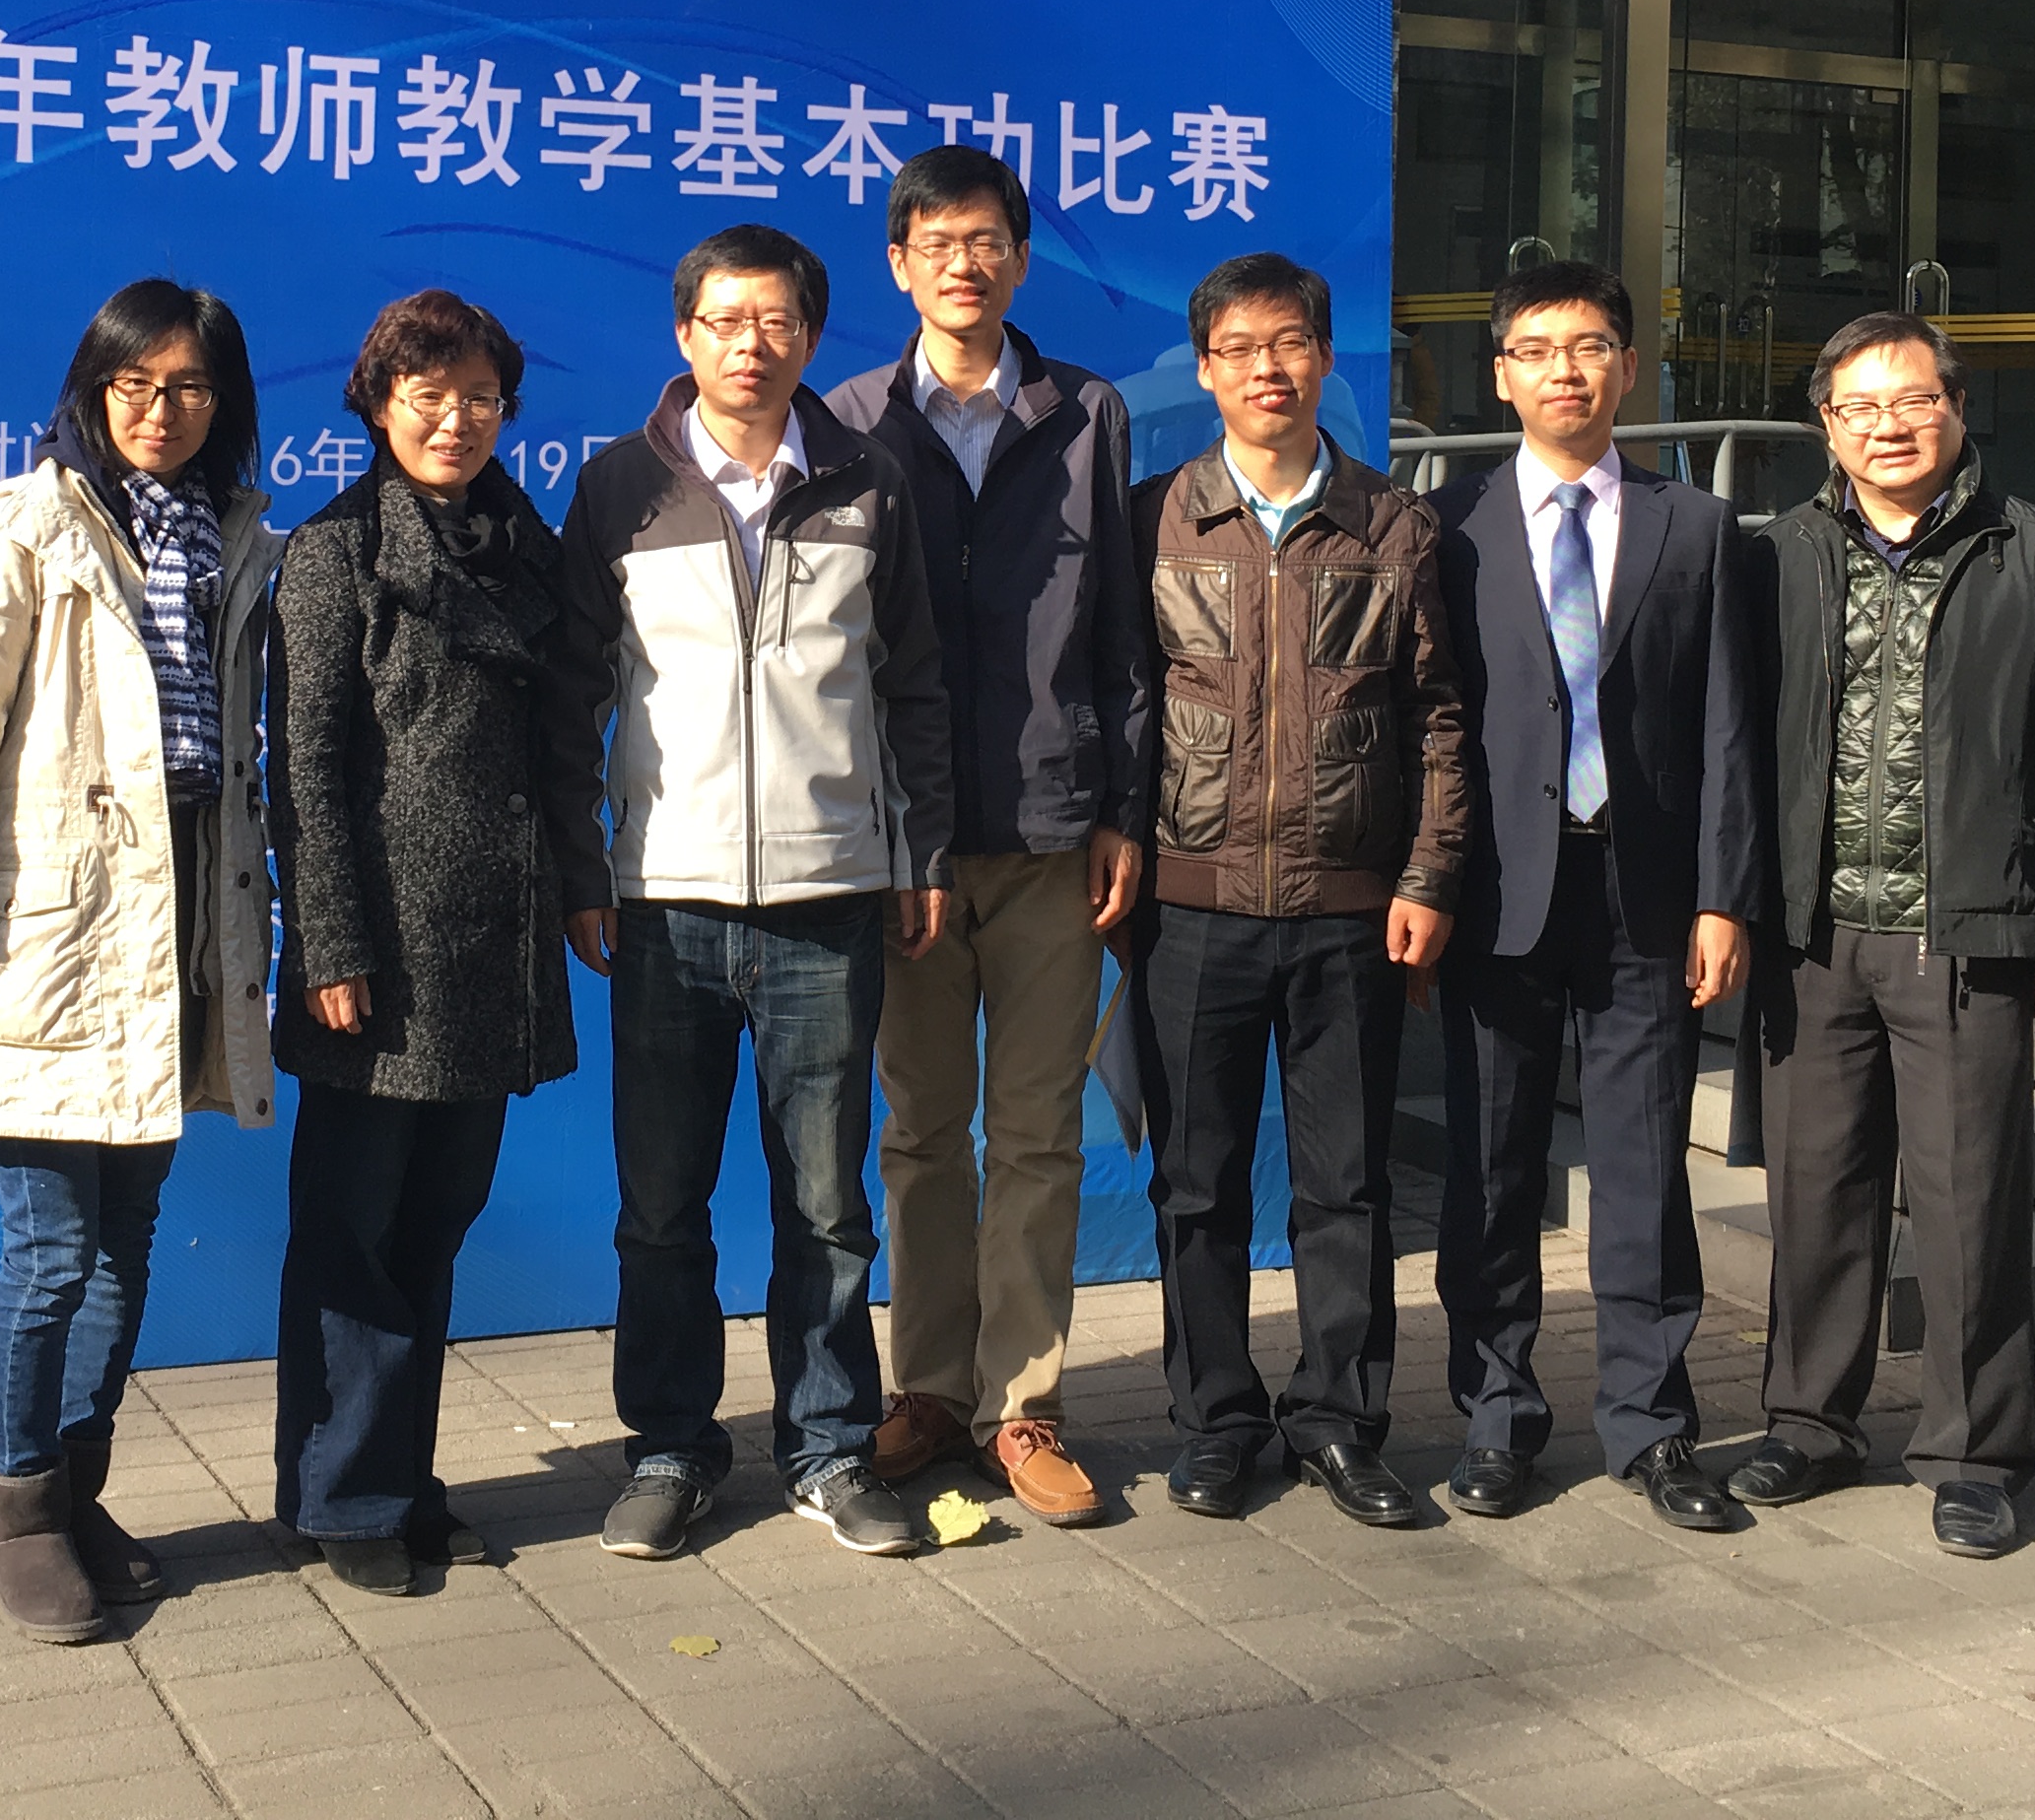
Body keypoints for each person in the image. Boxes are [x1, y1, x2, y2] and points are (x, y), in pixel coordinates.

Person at [555, 223, 956, 1563]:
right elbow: (572, 697)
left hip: (828, 901)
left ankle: (829, 1450)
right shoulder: (620, 489)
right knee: (661, 1209)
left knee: (828, 1209)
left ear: (811, 336)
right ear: (685, 336)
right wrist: (583, 867)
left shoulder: (868, 480)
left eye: (777, 321)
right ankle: (671, 1447)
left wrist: (919, 855)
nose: (752, 344)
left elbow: (912, 688)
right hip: (665, 905)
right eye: (725, 321)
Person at [0, 279, 281, 1644]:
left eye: (189, 387)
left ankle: (79, 1491)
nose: (160, 411)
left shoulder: (242, 537)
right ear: (93, 387)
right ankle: (20, 1514)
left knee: (126, 1244)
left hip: (186, 912)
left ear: (223, 402)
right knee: (52, 1248)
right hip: (55, 926)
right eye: (134, 384)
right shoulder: (25, 521)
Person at [1735, 311, 2035, 1561]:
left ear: (1958, 408)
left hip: (1968, 935)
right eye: (1860, 407)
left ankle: (1977, 1454)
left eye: (1913, 400)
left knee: (1970, 1205)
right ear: (1826, 426)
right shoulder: (1778, 556)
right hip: (1814, 936)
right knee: (1815, 1192)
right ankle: (1810, 1421)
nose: (1889, 427)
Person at [828, 145, 1153, 1530]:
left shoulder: (1086, 411)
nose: (964, 264)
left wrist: (1123, 808)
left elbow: (1124, 626)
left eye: (988, 242)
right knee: (918, 1132)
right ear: (899, 264)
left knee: (1035, 1131)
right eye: (938, 242)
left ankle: (1023, 1406)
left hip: (1050, 827)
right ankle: (927, 1389)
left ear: (1021, 259)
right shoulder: (847, 421)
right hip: (905, 845)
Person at [269, 289, 604, 1598]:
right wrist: (330, 947)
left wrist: (576, 889)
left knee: (434, 1222)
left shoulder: (525, 545)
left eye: (479, 398)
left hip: (490, 947)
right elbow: (306, 770)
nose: (456, 420)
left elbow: (562, 744)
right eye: (429, 397)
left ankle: (401, 1476)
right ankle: (338, 1494)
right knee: (350, 1229)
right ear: (378, 405)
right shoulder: (334, 552)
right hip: (378, 957)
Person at [1130, 251, 1469, 1529]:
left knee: (1348, 1184)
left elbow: (1440, 719)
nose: (1265, 369)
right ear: (1206, 367)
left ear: (1325, 359)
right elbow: (1126, 710)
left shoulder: (1394, 525)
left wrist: (1429, 872)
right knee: (1198, 1184)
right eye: (1239, 347)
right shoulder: (1157, 519)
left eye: (1288, 344)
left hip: (1349, 910)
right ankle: (1217, 1420)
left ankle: (1339, 1420)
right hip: (1192, 908)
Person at [1426, 259, 1764, 1536]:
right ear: (1501, 375)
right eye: (1538, 349)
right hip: (1496, 893)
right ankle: (1496, 1416)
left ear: (1629, 366)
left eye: (1590, 347)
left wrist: (1724, 896)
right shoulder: (1446, 527)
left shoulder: (1699, 526)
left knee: (1644, 1170)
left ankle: (1652, 1424)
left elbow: (1730, 726)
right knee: (1491, 1168)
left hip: (1646, 894)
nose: (1565, 370)